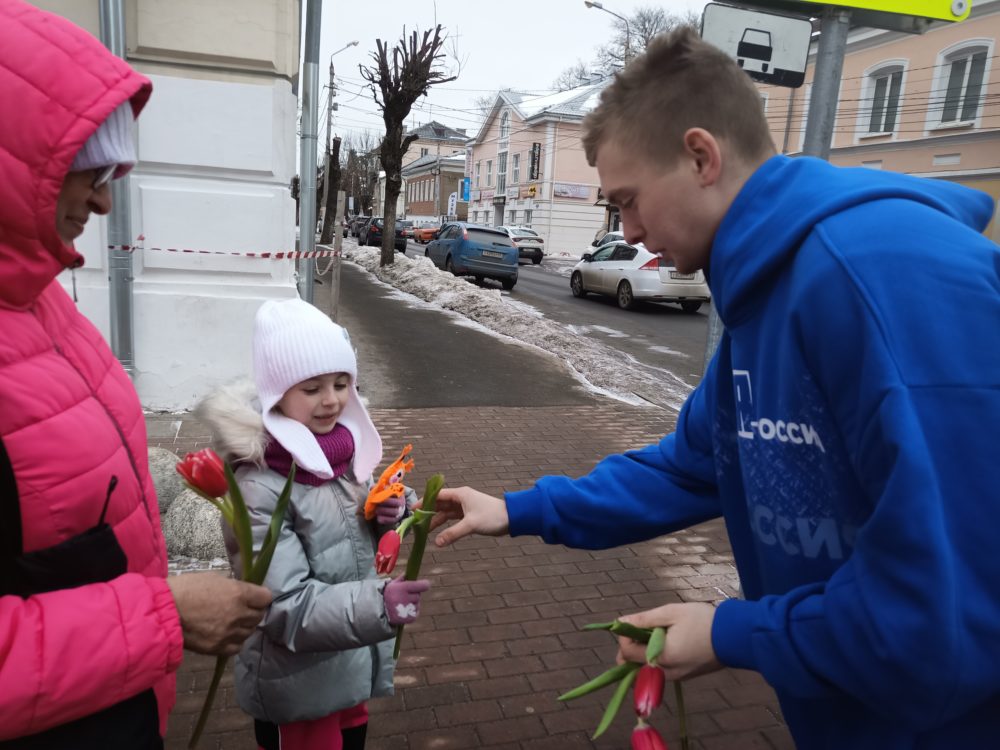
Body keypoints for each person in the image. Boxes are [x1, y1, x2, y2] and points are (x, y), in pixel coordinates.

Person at [430, 26, 1000, 749]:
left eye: (630, 201)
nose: (628, 233)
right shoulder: (763, 295)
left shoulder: (884, 274)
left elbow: (956, 602)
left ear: (701, 155)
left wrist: (735, 632)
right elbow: (693, 465)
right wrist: (518, 509)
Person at [0, 2, 273, 746]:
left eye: (111, 169)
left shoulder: (38, 305)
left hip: (105, 704)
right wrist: (165, 613)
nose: (105, 198)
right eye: (84, 168)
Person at [197, 298, 430, 750]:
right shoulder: (260, 486)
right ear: (276, 394)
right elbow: (285, 605)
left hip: (346, 662)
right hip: (297, 683)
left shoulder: (339, 454)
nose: (332, 400)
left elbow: (349, 530)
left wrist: (391, 513)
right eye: (312, 388)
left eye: (342, 383)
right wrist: (381, 606)